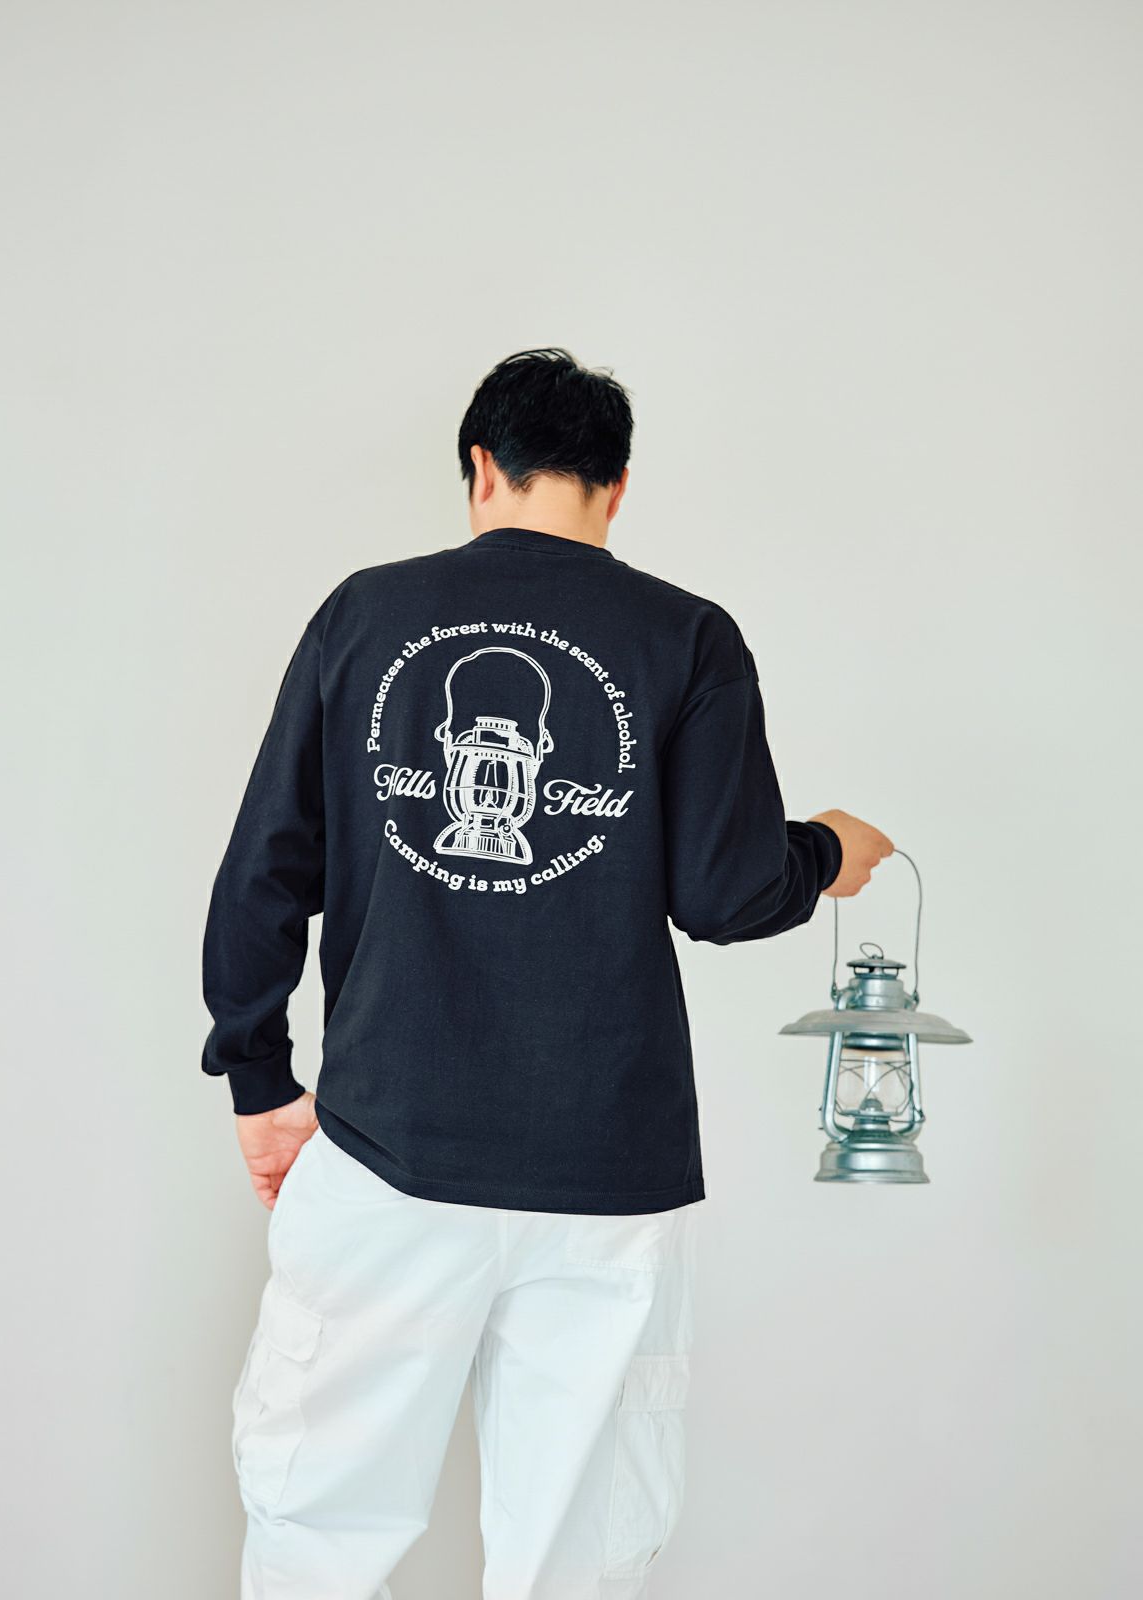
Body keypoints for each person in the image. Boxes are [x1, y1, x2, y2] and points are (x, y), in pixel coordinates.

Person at [201, 346, 894, 1600]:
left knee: (316, 1528)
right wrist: (827, 853)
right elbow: (726, 890)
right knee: (579, 1559)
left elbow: (266, 866)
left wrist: (258, 1079)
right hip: (607, 1180)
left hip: (385, 1152)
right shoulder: (687, 636)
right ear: (616, 486)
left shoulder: (364, 616)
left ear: (480, 467)